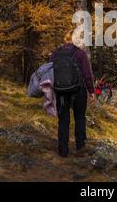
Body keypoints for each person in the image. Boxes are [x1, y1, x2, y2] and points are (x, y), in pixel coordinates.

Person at [49, 30, 95, 158]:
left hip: (61, 92)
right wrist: (91, 91)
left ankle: (63, 150)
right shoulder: (80, 53)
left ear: (65, 39)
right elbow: (87, 74)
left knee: (63, 120)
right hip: (78, 91)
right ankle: (80, 147)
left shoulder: (55, 54)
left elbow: (50, 72)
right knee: (80, 118)